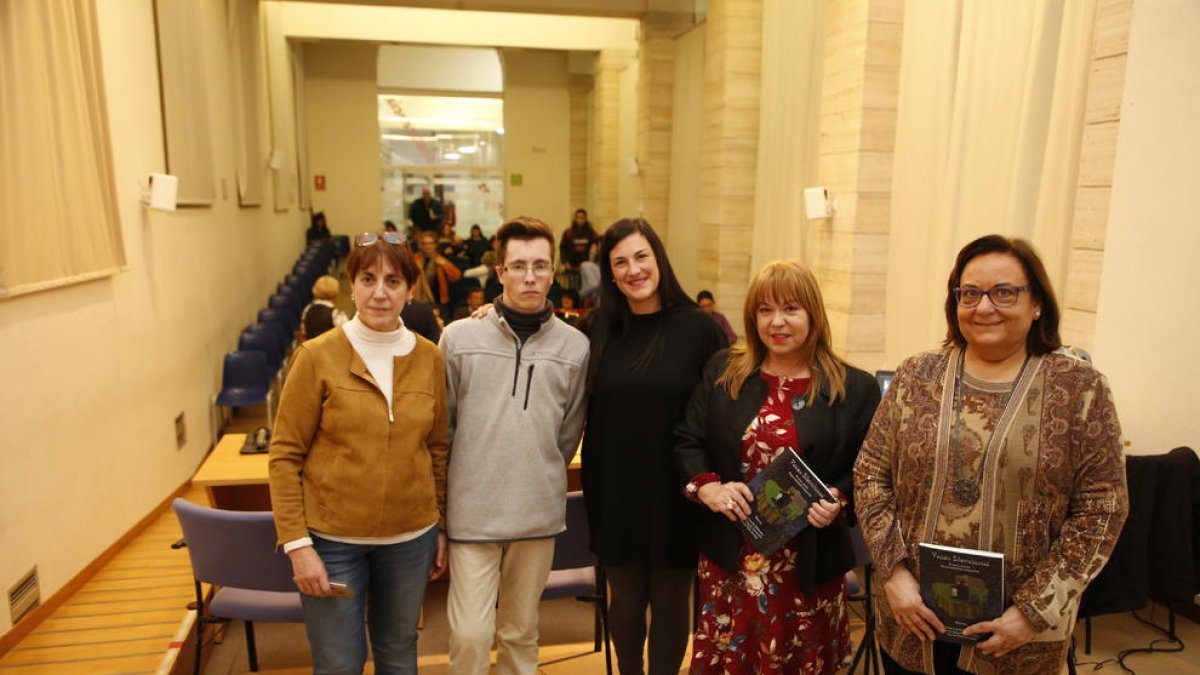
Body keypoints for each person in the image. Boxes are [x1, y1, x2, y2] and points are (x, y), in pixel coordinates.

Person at [853, 234, 1129, 674]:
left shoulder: (1081, 388)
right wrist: (894, 573)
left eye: (1004, 292)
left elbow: (1103, 508)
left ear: (1036, 302)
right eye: (970, 293)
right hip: (914, 621)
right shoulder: (916, 375)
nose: (984, 307)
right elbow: (870, 475)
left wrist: (1034, 611)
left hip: (1017, 635)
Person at [674, 259, 881, 673]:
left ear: (813, 314)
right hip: (731, 559)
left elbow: (872, 470)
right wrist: (708, 487)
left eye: (790, 309)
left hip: (807, 564)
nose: (777, 322)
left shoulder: (853, 387)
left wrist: (839, 499)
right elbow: (687, 439)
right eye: (765, 310)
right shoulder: (724, 370)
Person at [268, 231, 449, 674]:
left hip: (411, 539)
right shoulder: (316, 356)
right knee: (338, 663)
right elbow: (284, 455)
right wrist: (298, 545)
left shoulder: (430, 358)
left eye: (392, 281)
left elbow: (437, 449)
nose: (380, 293)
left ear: (410, 290)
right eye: (368, 279)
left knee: (399, 652)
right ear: (352, 284)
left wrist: (441, 524)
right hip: (332, 543)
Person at [439, 216, 590, 675]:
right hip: (472, 514)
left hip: (536, 514)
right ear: (499, 272)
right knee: (469, 636)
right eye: (518, 265)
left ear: (553, 271)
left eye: (540, 266)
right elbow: (442, 430)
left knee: (520, 633)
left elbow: (567, 435)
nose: (530, 277)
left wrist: (534, 470)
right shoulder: (459, 338)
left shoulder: (575, 347)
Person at [578, 218, 727, 675]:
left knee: (669, 603)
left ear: (658, 257)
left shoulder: (701, 329)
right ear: (609, 272)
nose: (633, 269)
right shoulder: (596, 327)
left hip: (679, 491)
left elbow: (719, 413)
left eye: (641, 256)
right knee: (624, 603)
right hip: (615, 488)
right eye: (619, 262)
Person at [413, 230, 463, 318]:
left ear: (436, 244)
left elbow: (456, 276)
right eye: (424, 244)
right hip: (419, 300)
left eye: (430, 243)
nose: (427, 246)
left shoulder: (441, 259)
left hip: (438, 301)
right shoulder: (415, 258)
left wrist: (444, 264)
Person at [299, 274, 348, 341]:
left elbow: (304, 333)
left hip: (310, 349)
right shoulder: (337, 315)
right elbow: (346, 337)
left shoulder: (307, 309)